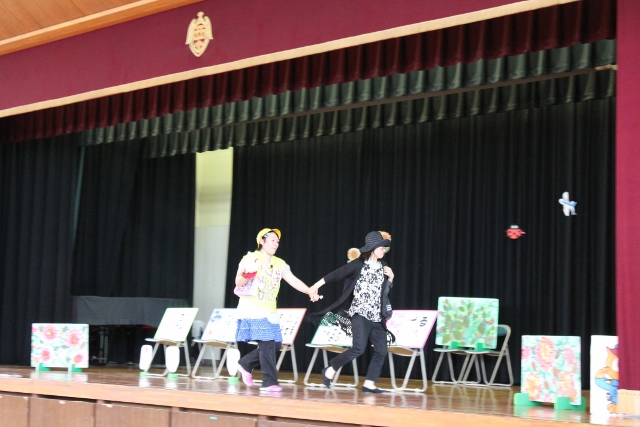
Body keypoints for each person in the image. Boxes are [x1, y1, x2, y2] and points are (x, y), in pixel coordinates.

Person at [234, 228, 320, 392]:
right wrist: (247, 275)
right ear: (262, 241)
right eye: (272, 240)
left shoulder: (279, 263)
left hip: (270, 310)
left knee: (276, 344)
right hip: (252, 308)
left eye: (277, 241)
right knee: (267, 342)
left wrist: (309, 290)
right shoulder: (251, 258)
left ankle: (246, 363)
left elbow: (294, 281)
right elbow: (238, 281)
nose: (276, 244)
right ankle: (269, 382)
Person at [309, 231, 394, 393]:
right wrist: (315, 286)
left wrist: (390, 278)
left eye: (384, 246)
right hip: (360, 314)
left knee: (382, 350)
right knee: (358, 348)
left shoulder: (384, 266)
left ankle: (369, 383)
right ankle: (330, 369)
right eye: (381, 246)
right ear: (373, 248)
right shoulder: (358, 264)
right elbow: (336, 274)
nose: (384, 249)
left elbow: (384, 292)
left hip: (377, 316)